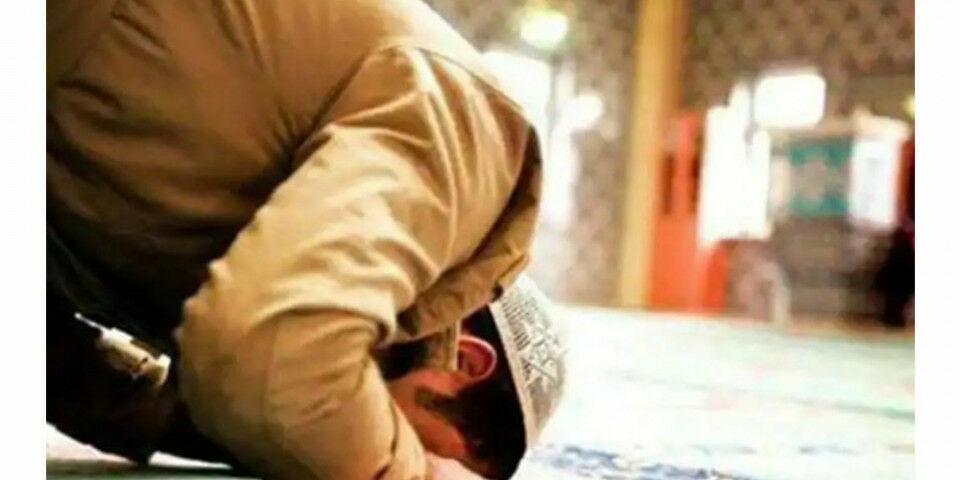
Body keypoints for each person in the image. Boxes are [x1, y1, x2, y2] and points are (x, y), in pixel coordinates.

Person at [47, 0, 560, 478]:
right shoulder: (473, 136)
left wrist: (189, 422)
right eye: (410, 443)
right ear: (464, 364)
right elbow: (272, 350)